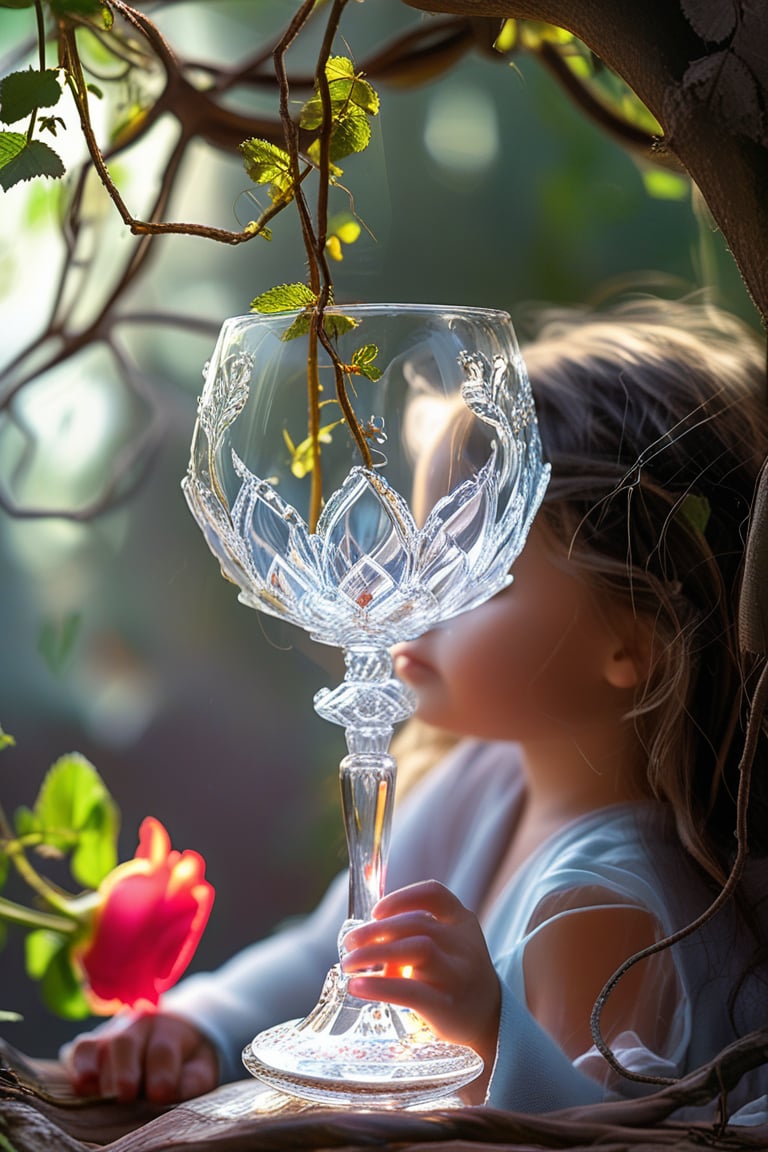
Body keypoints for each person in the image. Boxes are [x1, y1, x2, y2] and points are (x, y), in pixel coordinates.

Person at [62, 296, 768, 1118]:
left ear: (635, 645)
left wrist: (487, 1034)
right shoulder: (487, 781)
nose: (406, 591)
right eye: (429, 540)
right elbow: (329, 956)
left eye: (477, 572)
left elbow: (594, 1137)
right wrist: (198, 1024)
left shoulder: (604, 899)